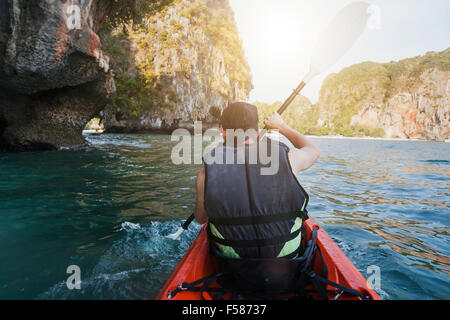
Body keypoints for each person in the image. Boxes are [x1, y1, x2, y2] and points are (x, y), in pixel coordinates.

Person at [194, 102, 320, 260]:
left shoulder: (205, 175)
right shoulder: (289, 158)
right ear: (257, 131)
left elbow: (201, 219)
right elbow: (313, 150)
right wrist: (281, 126)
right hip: (288, 265)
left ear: (223, 131)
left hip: (233, 268)